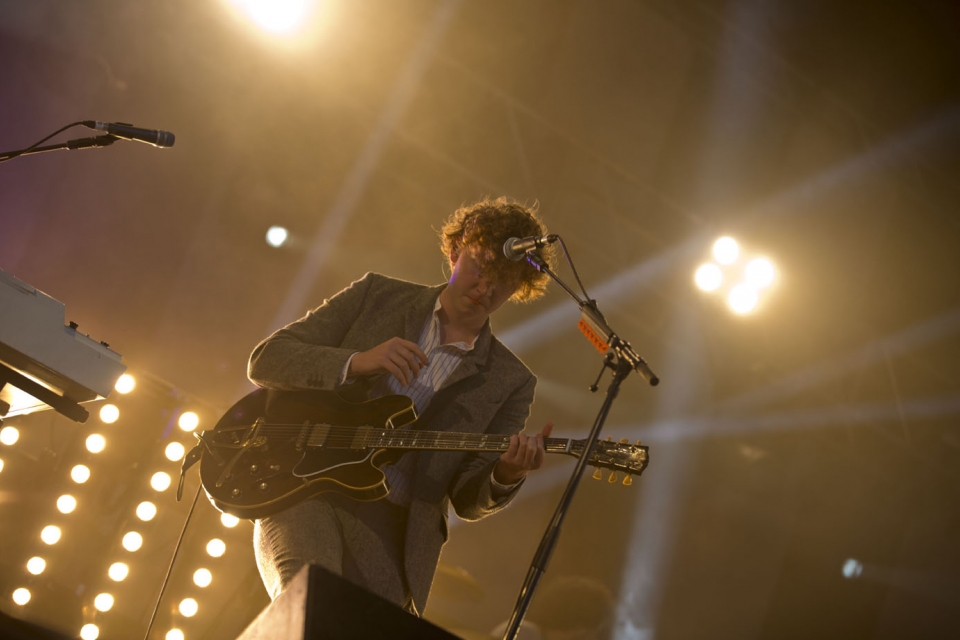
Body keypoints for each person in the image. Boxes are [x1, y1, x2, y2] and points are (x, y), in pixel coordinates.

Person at [247, 197, 556, 616]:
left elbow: (469, 499)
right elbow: (268, 359)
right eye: (480, 267)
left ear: (519, 288)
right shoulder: (377, 294)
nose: (485, 288)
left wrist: (505, 474)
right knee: (309, 609)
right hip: (306, 489)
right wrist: (355, 362)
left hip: (394, 534)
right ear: (454, 252)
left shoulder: (512, 382)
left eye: (501, 282)